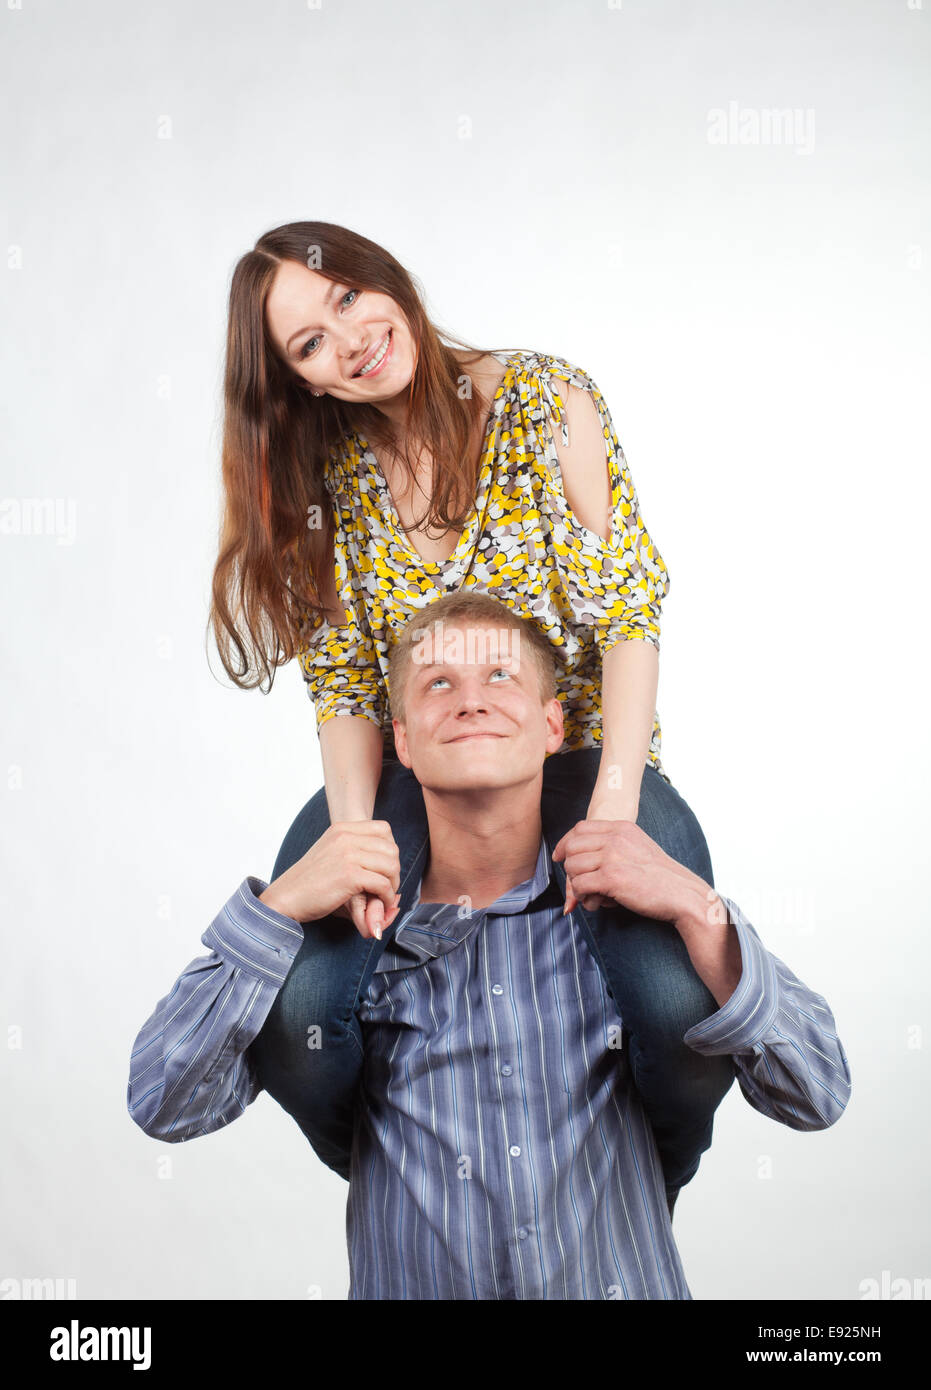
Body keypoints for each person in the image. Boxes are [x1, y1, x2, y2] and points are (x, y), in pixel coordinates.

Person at [209, 219, 730, 1207]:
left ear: (386, 282)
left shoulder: (544, 399)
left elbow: (626, 616)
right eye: (309, 344)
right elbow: (344, 683)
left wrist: (615, 808)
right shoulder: (326, 478)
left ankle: (636, 1189)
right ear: (300, 382)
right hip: (417, 774)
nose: (349, 338)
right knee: (300, 1012)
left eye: (348, 300)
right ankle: (401, 1177)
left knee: (675, 1008)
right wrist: (358, 832)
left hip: (575, 761)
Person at [128, 595, 851, 1301]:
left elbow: (817, 1094)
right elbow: (164, 1103)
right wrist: (277, 907)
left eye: (498, 676)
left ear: (550, 726)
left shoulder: (640, 937)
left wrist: (700, 910)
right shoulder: (350, 955)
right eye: (438, 683)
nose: (469, 701)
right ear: (401, 744)